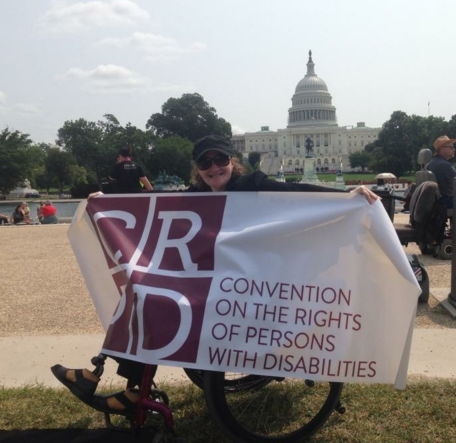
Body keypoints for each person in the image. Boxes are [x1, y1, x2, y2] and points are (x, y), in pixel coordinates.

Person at [51, 134, 379, 417]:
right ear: (198, 168)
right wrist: (109, 202)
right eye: (205, 162)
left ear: (231, 160)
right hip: (214, 282)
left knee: (159, 299)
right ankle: (107, 375)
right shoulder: (195, 196)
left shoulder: (253, 186)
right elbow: (157, 203)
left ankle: (131, 391)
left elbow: (294, 191)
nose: (213, 167)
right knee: (145, 292)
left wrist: (347, 197)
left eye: (219, 159)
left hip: (249, 285)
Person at [425, 135, 456, 210]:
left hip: (433, 202)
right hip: (445, 202)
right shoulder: (445, 165)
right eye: (451, 147)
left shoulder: (428, 165)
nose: (454, 149)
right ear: (442, 148)